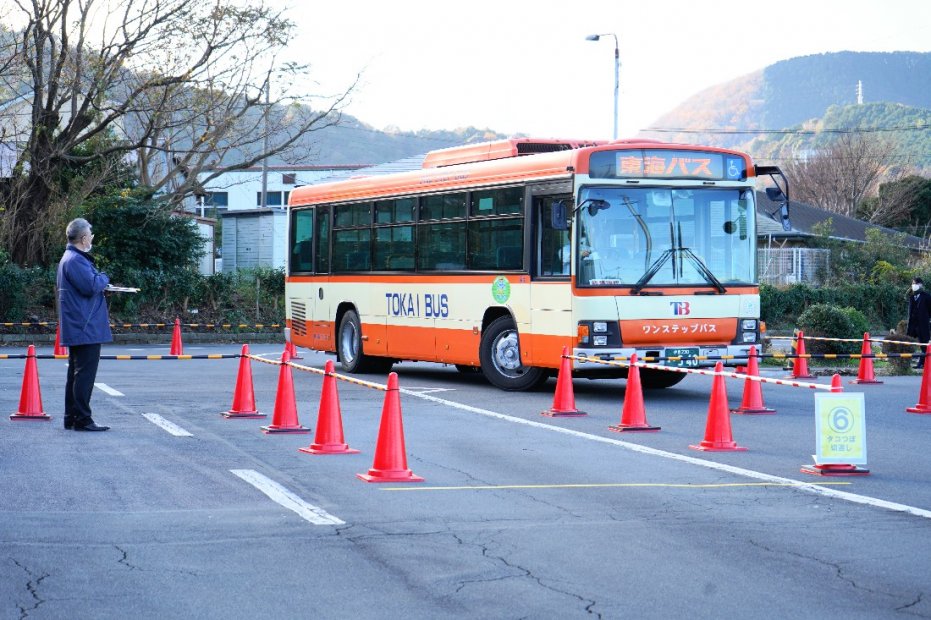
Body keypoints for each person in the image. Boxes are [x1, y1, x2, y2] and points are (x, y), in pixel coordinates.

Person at [57, 218, 112, 431]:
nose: (92, 238)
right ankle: (82, 419)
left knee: (76, 372)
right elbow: (91, 285)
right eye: (90, 234)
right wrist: (104, 277)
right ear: (83, 238)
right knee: (84, 374)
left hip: (78, 322)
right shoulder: (76, 260)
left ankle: (71, 417)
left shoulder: (69, 258)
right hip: (85, 325)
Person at [906, 277, 931, 369]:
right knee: (908, 343)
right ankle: (905, 363)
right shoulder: (911, 296)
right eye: (913, 283)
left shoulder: (927, 296)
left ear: (921, 285)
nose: (914, 285)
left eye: (916, 283)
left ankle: (922, 363)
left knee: (923, 345)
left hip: (923, 325)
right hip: (912, 325)